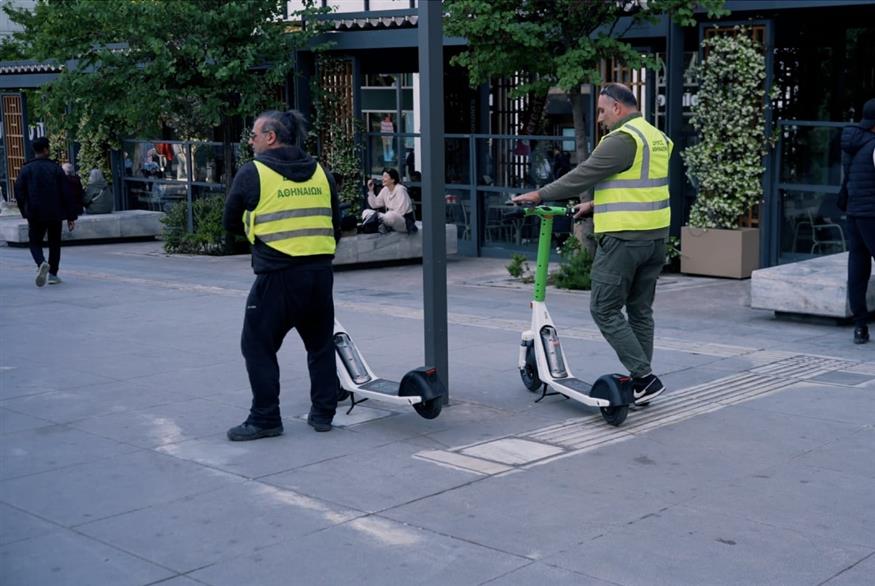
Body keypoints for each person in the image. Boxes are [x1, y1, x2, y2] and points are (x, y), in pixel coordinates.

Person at [512, 83, 671, 406]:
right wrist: (594, 206)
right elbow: (640, 187)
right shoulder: (655, 137)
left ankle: (643, 376)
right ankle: (643, 386)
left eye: (601, 110)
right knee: (640, 311)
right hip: (654, 238)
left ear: (617, 107)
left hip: (624, 241)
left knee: (604, 308)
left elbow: (582, 175)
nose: (599, 118)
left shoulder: (622, 139)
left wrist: (540, 194)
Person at [223, 109, 343, 440]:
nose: (251, 141)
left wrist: (255, 231)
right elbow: (336, 224)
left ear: (271, 137)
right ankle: (323, 414)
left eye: (254, 135)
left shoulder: (254, 172)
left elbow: (230, 222)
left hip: (277, 276)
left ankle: (265, 419)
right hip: (319, 275)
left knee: (257, 346)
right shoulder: (321, 171)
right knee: (319, 345)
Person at [14, 136, 77, 287]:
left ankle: (41, 262)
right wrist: (70, 216)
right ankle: (53, 274)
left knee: (34, 242)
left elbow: (19, 192)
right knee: (54, 243)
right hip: (55, 213)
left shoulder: (26, 169)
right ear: (45, 150)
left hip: (35, 213)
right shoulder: (55, 169)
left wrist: (25, 211)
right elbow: (66, 193)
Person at [840, 97, 875, 344]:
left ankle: (860, 326)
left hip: (854, 213)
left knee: (858, 269)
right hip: (873, 214)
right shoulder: (874, 145)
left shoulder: (852, 141)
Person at [362, 167, 416, 234]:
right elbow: (375, 204)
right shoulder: (385, 189)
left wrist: (384, 217)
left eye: (385, 177)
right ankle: (377, 223)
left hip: (405, 222)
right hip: (388, 219)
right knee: (366, 212)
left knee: (390, 215)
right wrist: (371, 190)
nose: (383, 179)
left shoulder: (400, 190)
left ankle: (378, 222)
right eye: (383, 176)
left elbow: (401, 211)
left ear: (393, 179)